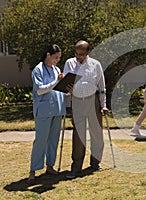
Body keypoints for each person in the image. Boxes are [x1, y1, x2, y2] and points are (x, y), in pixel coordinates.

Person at [63, 40, 108, 179]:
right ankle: (76, 167)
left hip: (92, 101)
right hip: (77, 101)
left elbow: (101, 86)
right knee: (78, 135)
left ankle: (95, 163)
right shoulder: (69, 63)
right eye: (76, 54)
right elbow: (65, 84)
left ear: (88, 52)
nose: (78, 57)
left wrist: (103, 105)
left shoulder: (96, 64)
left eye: (81, 54)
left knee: (96, 133)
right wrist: (68, 104)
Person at [28, 44, 66, 185]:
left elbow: (58, 89)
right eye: (56, 57)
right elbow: (40, 90)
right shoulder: (38, 70)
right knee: (41, 140)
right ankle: (33, 170)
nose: (57, 60)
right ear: (48, 55)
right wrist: (57, 81)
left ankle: (50, 166)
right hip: (44, 110)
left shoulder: (57, 69)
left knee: (53, 140)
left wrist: (68, 88)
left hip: (57, 108)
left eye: (59, 58)